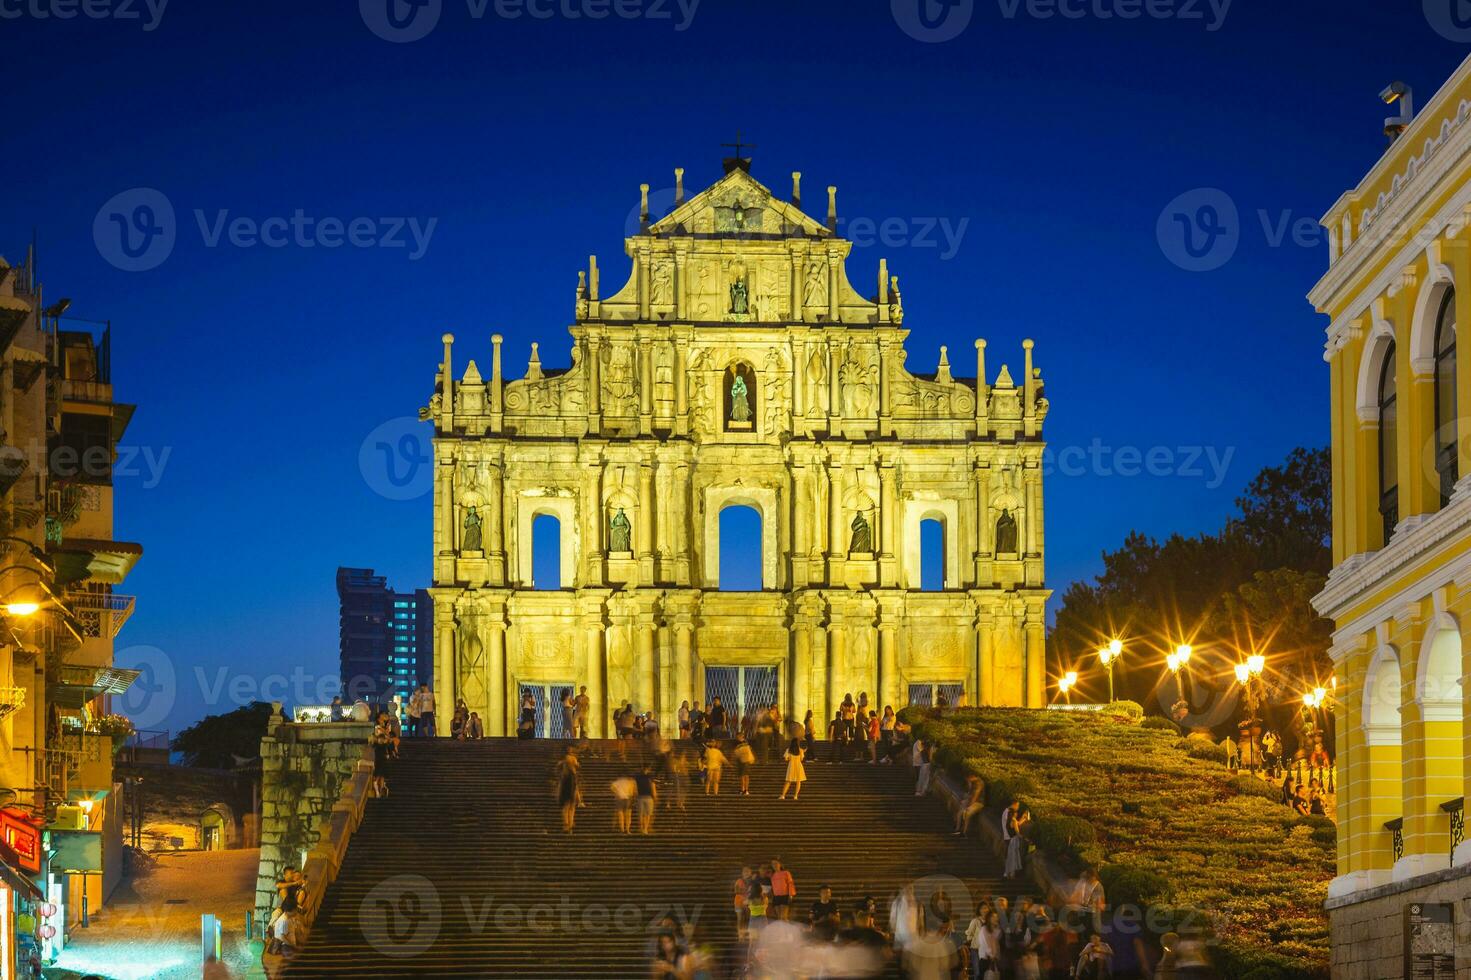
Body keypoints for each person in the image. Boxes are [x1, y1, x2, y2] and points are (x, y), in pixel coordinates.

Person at [1002, 800, 1028, 879]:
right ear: (1014, 814)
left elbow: (1017, 824)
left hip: (1012, 840)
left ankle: (1009, 874)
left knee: (1011, 856)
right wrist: (1025, 838)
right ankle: (1012, 874)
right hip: (1015, 840)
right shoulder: (1014, 820)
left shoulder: (1011, 820)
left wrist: (1023, 818)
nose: (1017, 813)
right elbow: (1017, 832)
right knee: (1013, 856)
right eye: (1016, 813)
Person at [733, 866, 757, 940]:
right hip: (738, 902)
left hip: (749, 902)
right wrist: (746, 891)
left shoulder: (753, 881)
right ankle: (741, 936)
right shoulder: (739, 881)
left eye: (748, 871)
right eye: (744, 871)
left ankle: (748, 934)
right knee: (740, 919)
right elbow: (736, 891)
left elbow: (755, 891)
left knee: (748, 919)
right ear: (742, 873)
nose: (746, 873)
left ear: (750, 873)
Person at [370, 716, 392, 797]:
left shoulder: (384, 745)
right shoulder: (375, 745)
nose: (381, 740)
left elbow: (389, 740)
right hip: (378, 761)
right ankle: (377, 792)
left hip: (383, 761)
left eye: (382, 739)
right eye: (380, 739)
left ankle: (381, 790)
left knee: (382, 776)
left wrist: (386, 729)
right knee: (377, 777)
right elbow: (372, 739)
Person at [634, 765, 659, 835]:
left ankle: (642, 828)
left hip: (640, 797)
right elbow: (653, 788)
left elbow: (635, 789)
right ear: (647, 770)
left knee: (641, 814)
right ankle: (645, 829)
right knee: (648, 815)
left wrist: (635, 797)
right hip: (648, 798)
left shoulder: (637, 778)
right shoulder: (650, 778)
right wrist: (655, 797)